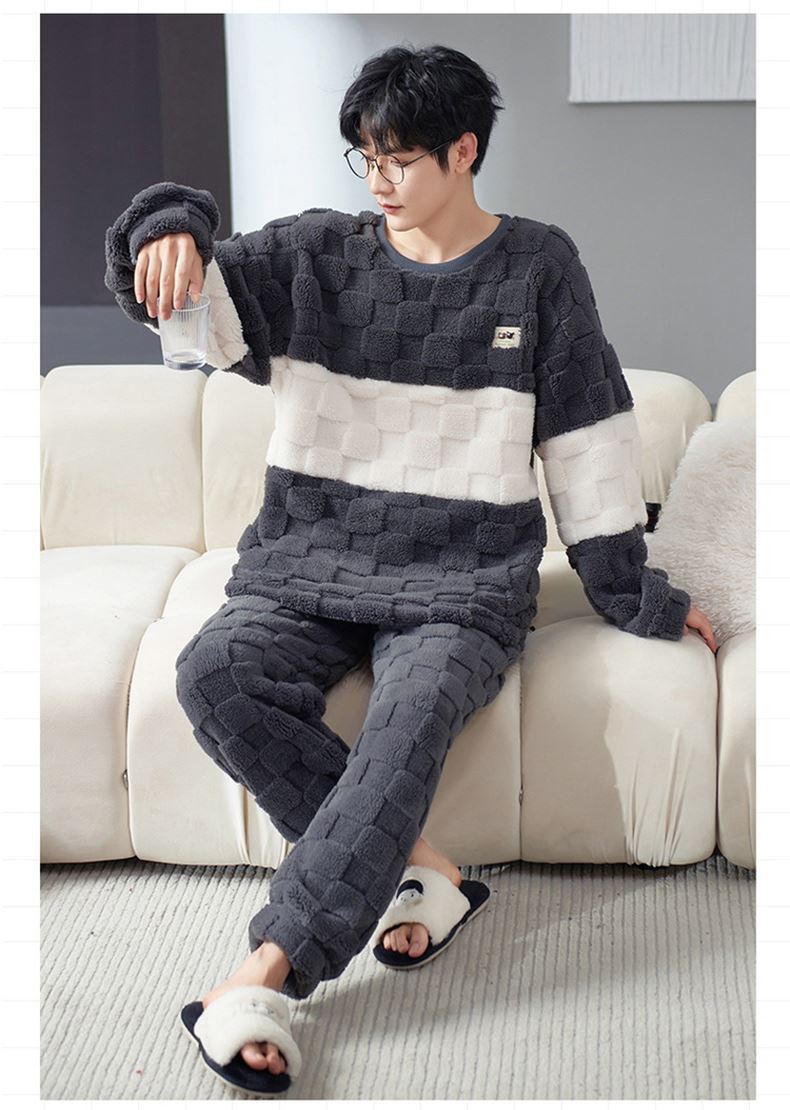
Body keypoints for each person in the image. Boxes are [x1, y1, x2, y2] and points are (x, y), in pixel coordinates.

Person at [104, 42, 717, 1095]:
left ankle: (263, 971)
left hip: (462, 586)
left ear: (464, 151)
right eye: (365, 158)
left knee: (414, 707)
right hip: (307, 566)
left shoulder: (538, 269)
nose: (378, 180)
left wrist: (639, 596)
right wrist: (165, 228)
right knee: (212, 672)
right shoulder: (316, 256)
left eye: (399, 158)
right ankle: (427, 873)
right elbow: (181, 285)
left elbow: (588, 446)